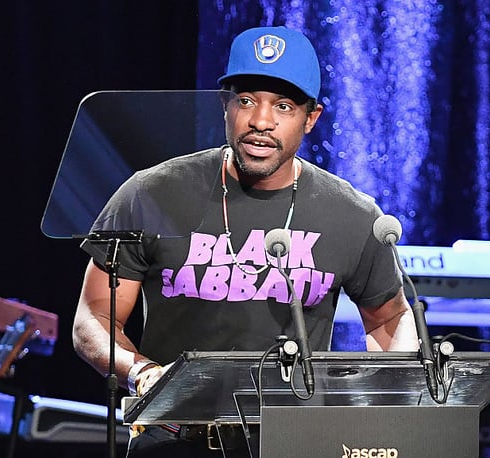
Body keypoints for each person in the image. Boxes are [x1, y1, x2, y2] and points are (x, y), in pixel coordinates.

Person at [72, 26, 419, 457]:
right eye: (246, 101)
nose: (260, 122)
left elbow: (389, 320)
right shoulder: (151, 192)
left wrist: (382, 411)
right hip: (174, 439)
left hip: (293, 440)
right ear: (225, 104)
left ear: (311, 119)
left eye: (284, 106)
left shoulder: (351, 214)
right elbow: (94, 318)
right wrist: (141, 373)